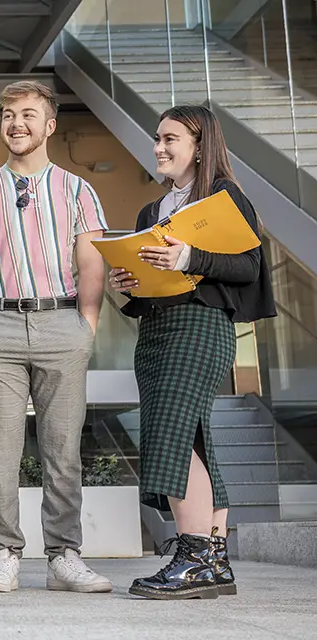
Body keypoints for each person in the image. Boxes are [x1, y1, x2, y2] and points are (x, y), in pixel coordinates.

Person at [110, 105, 276, 600]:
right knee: (194, 439)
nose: (158, 148)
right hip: (157, 331)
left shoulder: (223, 196)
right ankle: (214, 561)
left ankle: (194, 556)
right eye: (157, 139)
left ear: (200, 146)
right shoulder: (152, 211)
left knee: (172, 435)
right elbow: (153, 280)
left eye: (170, 139)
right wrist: (130, 281)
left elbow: (249, 265)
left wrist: (187, 256)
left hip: (201, 327)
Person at [0, 80, 112, 594]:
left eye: (27, 114)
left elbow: (92, 263)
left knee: (63, 448)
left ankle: (64, 556)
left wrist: (86, 327)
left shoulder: (78, 190)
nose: (16, 123)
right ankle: (3, 553)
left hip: (61, 324)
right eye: (7, 115)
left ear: (49, 125)